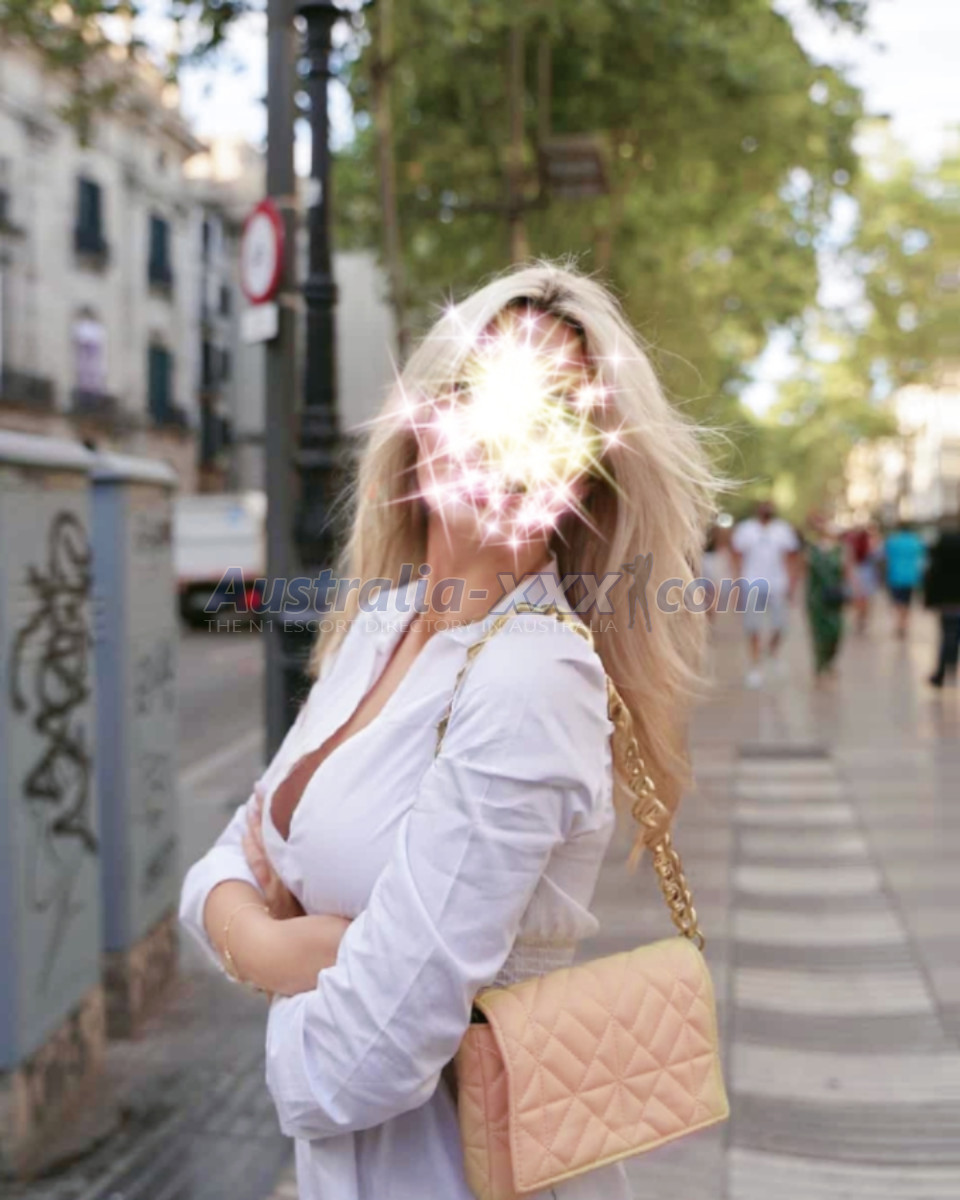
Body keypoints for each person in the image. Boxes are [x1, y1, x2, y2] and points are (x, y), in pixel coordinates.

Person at [178, 261, 716, 1200]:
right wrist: (280, 949)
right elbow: (218, 863)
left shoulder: (532, 676)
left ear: (582, 471)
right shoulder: (381, 626)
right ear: (422, 419)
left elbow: (350, 1070)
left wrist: (264, 938)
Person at [730, 500, 801, 688]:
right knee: (753, 627)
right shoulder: (746, 529)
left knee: (781, 626)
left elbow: (792, 558)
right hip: (752, 583)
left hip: (778, 584)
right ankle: (755, 666)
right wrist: (737, 585)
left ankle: (772, 651)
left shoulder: (783, 530)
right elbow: (736, 557)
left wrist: (792, 584)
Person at [805, 513, 849, 681]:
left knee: (836, 632)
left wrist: (853, 591)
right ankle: (820, 666)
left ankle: (829, 661)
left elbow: (848, 571)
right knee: (818, 633)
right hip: (816, 597)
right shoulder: (811, 550)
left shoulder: (841, 550)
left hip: (835, 597)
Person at [923, 525, 960, 688]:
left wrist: (930, 602)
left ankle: (942, 672)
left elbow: (930, 583)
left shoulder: (939, 564)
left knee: (948, 636)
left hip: (947, 605)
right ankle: (948, 668)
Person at [882, 522, 927, 639]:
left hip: (895, 576)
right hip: (911, 576)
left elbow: (885, 556)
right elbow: (923, 558)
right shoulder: (916, 541)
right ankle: (903, 623)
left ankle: (900, 623)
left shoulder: (893, 541)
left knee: (898, 601)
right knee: (907, 601)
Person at [846, 524, 881, 635]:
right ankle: (862, 619)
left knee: (858, 599)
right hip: (867, 574)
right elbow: (879, 557)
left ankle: (859, 618)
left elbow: (848, 561)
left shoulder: (852, 545)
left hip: (857, 573)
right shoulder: (871, 545)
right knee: (865, 600)